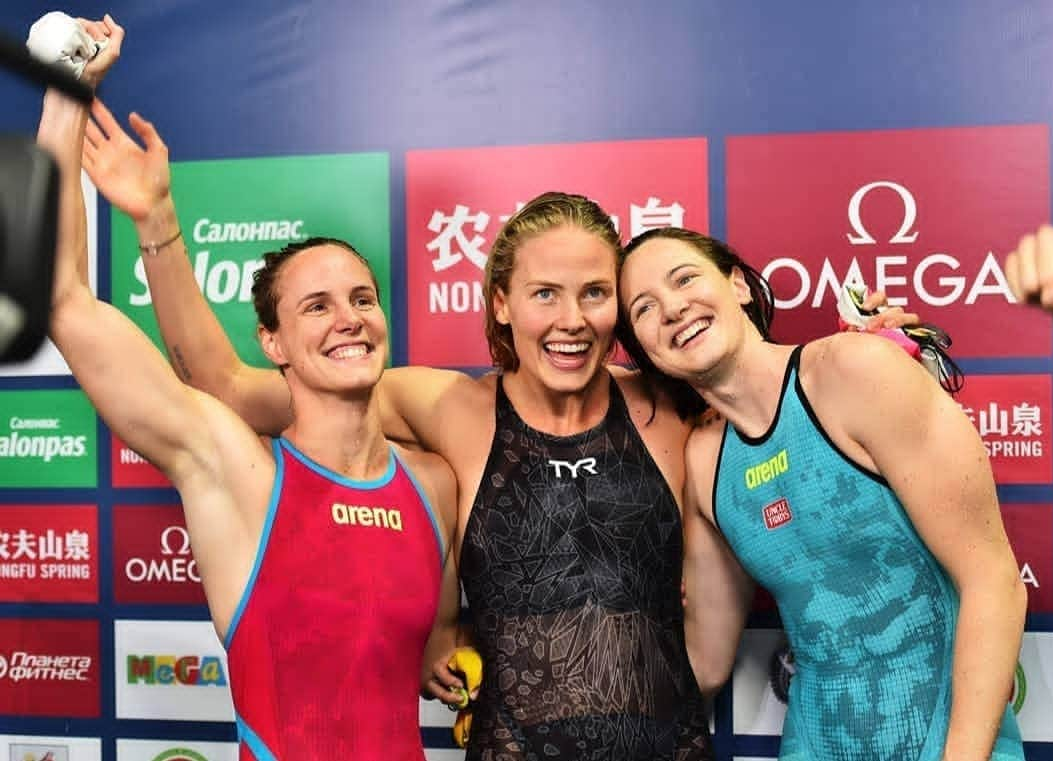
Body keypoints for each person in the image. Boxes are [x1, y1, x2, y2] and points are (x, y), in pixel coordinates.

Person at [81, 93, 921, 753]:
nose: (571, 318)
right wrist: (157, 220)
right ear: (500, 303)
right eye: (545, 293)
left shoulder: (671, 409)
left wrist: (887, 347)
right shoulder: (448, 408)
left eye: (595, 292)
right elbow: (224, 383)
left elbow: (789, 408)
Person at [40, 16, 459, 760]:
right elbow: (67, 301)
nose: (349, 320)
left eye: (363, 299)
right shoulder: (236, 468)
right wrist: (66, 93)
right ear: (274, 344)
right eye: (317, 307)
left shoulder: (435, 484)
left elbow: (434, 649)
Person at [616, 226, 1028, 760]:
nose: (672, 308)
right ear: (642, 349)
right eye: (645, 308)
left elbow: (993, 581)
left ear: (738, 285)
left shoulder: (854, 370)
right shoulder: (703, 460)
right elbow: (707, 660)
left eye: (685, 278)